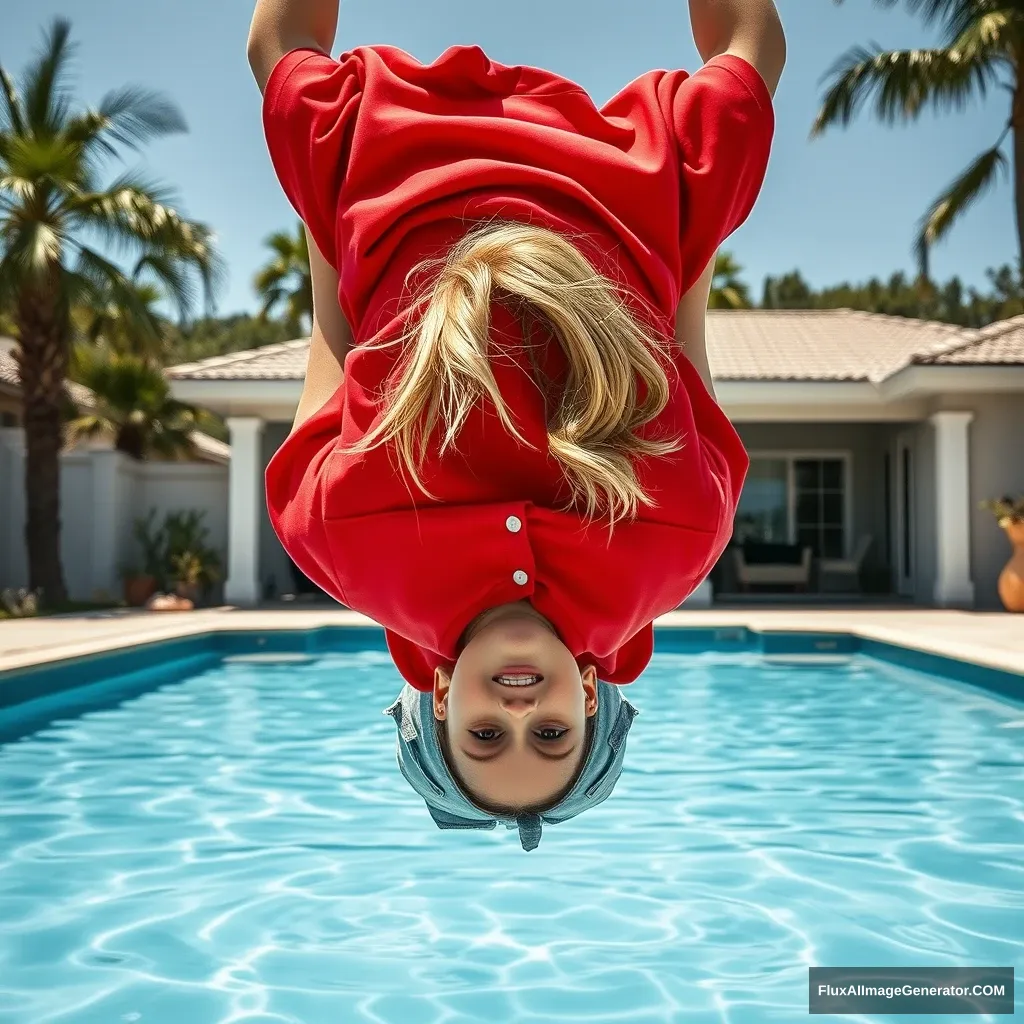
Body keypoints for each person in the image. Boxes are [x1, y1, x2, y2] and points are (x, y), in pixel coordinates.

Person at [246, 0, 786, 850]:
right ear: (590, 696)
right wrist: (698, 185)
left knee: (274, 52)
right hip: (624, 188)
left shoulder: (341, 544)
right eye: (552, 736)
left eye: (486, 736)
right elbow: (685, 315)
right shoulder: (678, 546)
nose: (520, 711)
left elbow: (332, 329)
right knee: (753, 63)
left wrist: (331, 179)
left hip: (402, 160)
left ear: (439, 699)